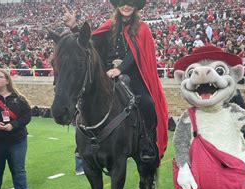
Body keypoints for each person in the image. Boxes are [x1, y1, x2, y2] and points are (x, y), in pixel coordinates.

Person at [62, 0, 169, 161]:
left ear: (135, 7)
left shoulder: (142, 28)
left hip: (134, 74)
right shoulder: (108, 26)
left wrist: (120, 69)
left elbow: (136, 52)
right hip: (106, 72)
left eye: (130, 3)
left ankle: (147, 142)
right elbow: (88, 45)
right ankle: (83, 141)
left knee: (148, 103)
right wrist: (74, 27)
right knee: (85, 98)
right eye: (122, 2)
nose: (126, 6)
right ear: (117, 5)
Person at [0, 69, 33, 189]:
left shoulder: (18, 98)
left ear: (7, 80)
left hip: (17, 140)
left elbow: (27, 115)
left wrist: (14, 124)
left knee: (18, 168)